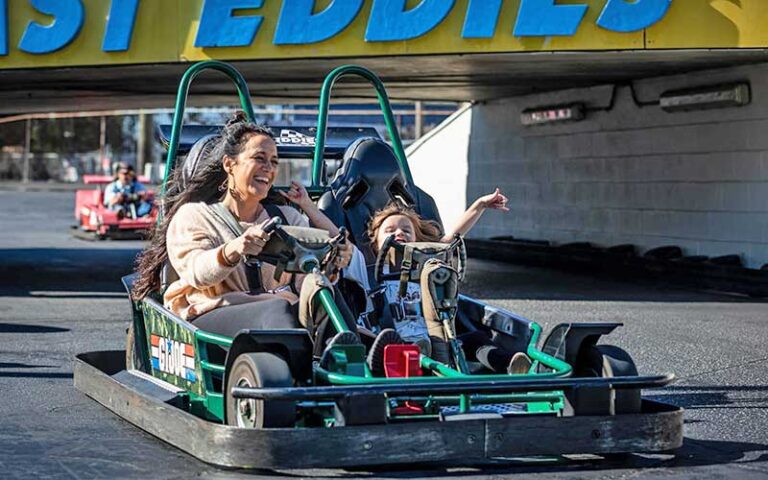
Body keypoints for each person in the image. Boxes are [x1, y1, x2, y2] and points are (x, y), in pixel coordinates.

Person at [132, 113, 355, 348]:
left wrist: (331, 263)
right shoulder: (195, 216)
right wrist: (234, 249)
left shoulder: (288, 217)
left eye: (274, 162)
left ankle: (360, 361)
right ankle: (301, 374)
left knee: (324, 293)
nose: (268, 168)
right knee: (277, 310)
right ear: (229, 164)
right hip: (214, 312)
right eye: (259, 158)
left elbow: (302, 282)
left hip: (282, 312)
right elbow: (197, 272)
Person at [345, 192, 533, 375]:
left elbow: (452, 237)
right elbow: (339, 239)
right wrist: (313, 210)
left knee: (475, 339)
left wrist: (480, 205)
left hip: (431, 342)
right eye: (390, 230)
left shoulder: (427, 265)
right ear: (375, 242)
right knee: (363, 337)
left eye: (406, 230)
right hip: (389, 344)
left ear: (417, 241)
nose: (399, 232)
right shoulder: (365, 268)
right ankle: (412, 355)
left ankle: (509, 364)